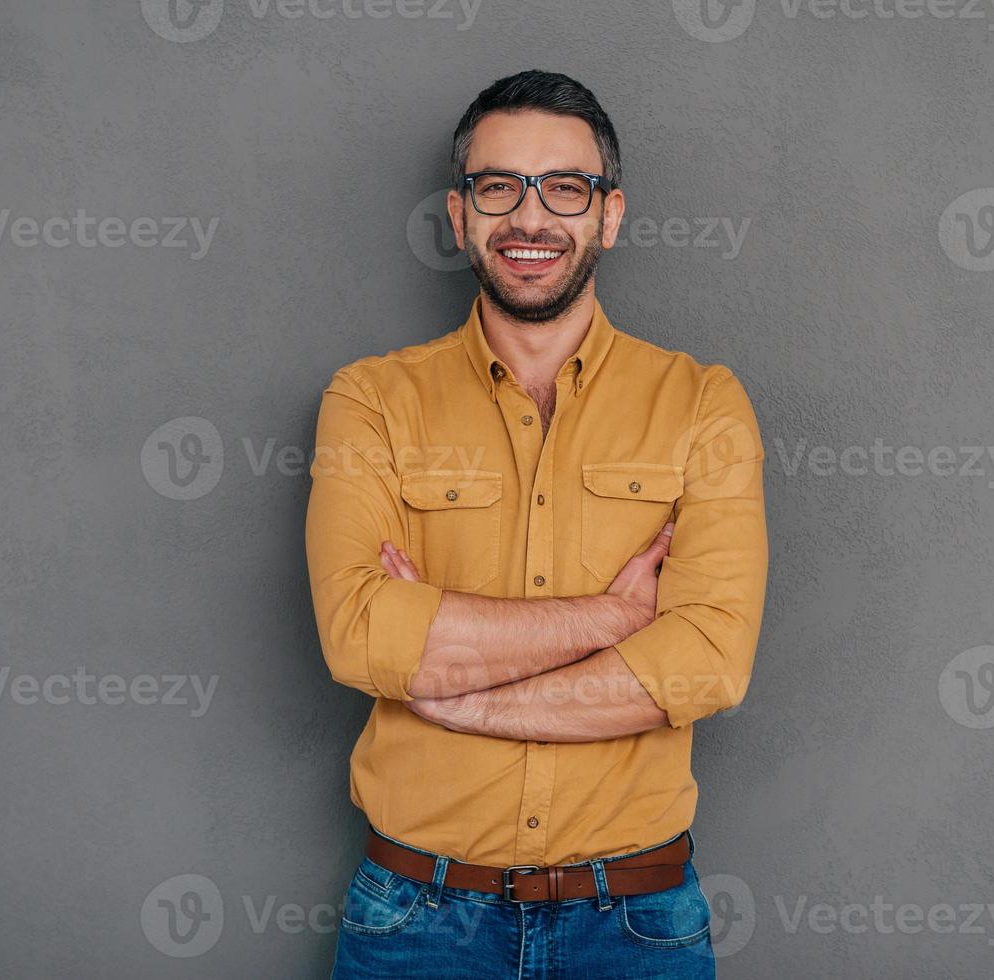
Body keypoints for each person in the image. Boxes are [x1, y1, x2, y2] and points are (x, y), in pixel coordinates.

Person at [304, 68, 769, 979]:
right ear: (457, 213)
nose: (529, 218)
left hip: (635, 924)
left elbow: (708, 659)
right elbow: (361, 637)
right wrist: (613, 619)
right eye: (496, 186)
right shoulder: (371, 400)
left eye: (564, 186)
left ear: (609, 214)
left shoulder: (702, 404)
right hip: (416, 921)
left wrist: (464, 696)